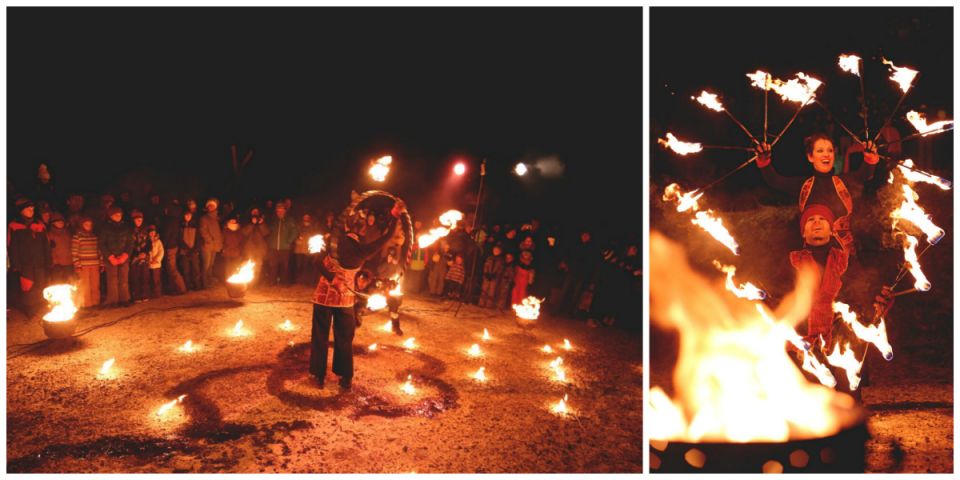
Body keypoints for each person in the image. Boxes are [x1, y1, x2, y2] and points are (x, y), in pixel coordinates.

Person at [309, 200, 404, 390]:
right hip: (345, 298)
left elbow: (316, 261)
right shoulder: (364, 249)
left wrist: (331, 277)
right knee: (344, 337)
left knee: (320, 334)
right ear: (361, 231)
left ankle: (318, 376)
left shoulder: (332, 241)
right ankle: (345, 377)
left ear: (346, 226)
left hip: (324, 296)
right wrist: (395, 215)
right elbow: (386, 237)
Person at [756, 133, 879, 251]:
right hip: (812, 257)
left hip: (845, 255)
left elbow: (865, 173)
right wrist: (764, 159)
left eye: (830, 151)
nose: (826, 155)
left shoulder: (845, 183)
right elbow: (774, 180)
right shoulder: (803, 185)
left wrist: (870, 156)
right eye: (820, 151)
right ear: (810, 157)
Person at [8, 199, 51, 316]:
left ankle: (41, 306)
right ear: (21, 211)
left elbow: (45, 245)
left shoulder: (39, 225)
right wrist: (15, 264)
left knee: (41, 284)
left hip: (39, 262)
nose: (31, 210)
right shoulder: (14, 226)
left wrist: (48, 261)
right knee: (28, 286)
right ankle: (30, 308)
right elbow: (12, 247)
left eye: (32, 208)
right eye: (28, 209)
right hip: (25, 264)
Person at [100, 207, 133, 307]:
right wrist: (110, 257)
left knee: (124, 279)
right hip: (111, 258)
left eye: (119, 214)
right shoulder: (105, 228)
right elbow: (102, 244)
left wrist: (125, 255)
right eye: (116, 215)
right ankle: (113, 301)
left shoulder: (125, 227)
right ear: (110, 216)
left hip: (123, 258)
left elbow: (130, 243)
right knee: (112, 280)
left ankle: (125, 299)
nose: (118, 216)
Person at [265, 202, 298, 286]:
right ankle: (271, 282)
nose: (280, 212)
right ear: (276, 211)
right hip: (273, 247)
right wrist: (269, 242)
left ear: (285, 211)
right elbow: (267, 232)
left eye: (281, 210)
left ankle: (284, 282)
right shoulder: (272, 220)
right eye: (278, 210)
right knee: (273, 265)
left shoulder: (289, 220)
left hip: (285, 247)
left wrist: (289, 241)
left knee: (285, 266)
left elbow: (294, 232)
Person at [72, 217, 102, 308]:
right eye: (86, 224)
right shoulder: (77, 237)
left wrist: (101, 263)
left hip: (94, 264)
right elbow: (74, 251)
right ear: (81, 225)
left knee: (95, 285)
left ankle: (95, 303)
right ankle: (86, 304)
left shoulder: (94, 236)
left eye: (90, 224)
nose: (88, 226)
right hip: (83, 265)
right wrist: (77, 264)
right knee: (85, 286)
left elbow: (99, 250)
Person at [161, 201, 187, 295]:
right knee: (171, 268)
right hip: (174, 246)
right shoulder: (175, 220)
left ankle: (181, 288)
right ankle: (175, 288)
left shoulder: (169, 221)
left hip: (170, 247)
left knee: (172, 268)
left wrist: (163, 245)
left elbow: (167, 235)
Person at [199, 198, 223, 289]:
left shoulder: (217, 218)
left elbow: (218, 232)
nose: (210, 207)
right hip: (207, 246)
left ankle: (209, 281)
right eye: (209, 205)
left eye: (212, 205)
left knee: (211, 265)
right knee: (206, 265)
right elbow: (203, 231)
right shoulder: (204, 218)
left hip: (215, 245)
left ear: (215, 207)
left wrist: (218, 242)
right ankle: (204, 284)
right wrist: (209, 240)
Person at [242, 207, 270, 286]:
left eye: (257, 211)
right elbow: (244, 233)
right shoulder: (246, 221)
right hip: (249, 249)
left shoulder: (263, 221)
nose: (255, 213)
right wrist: (252, 224)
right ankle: (248, 283)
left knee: (258, 267)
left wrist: (261, 224)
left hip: (260, 249)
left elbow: (266, 233)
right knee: (248, 266)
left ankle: (255, 284)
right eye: (253, 211)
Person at [129, 210, 152, 302]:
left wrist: (145, 252)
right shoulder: (130, 231)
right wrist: (136, 254)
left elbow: (149, 244)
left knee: (145, 276)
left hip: (144, 257)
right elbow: (129, 245)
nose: (139, 221)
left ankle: (145, 294)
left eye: (141, 219)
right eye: (137, 219)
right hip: (134, 257)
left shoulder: (145, 230)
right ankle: (136, 296)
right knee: (135, 276)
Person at [47, 212, 74, 283]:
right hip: (57, 265)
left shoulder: (68, 234)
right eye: (58, 222)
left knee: (69, 284)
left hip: (69, 264)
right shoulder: (50, 235)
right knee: (58, 283)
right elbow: (49, 250)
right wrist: (54, 262)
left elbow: (72, 247)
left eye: (61, 222)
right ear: (53, 223)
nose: (60, 223)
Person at [178, 210, 202, 291]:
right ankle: (187, 286)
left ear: (191, 216)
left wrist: (195, 250)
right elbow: (179, 239)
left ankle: (197, 286)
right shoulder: (180, 226)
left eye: (189, 215)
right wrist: (186, 249)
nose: (187, 217)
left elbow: (198, 239)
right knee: (186, 270)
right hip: (184, 252)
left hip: (194, 251)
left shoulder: (195, 226)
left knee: (196, 270)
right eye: (186, 215)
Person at [479, 244, 505, 308]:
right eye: (495, 250)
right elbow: (486, 265)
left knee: (491, 292)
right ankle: (481, 303)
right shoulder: (489, 258)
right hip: (487, 276)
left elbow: (500, 269)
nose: (496, 251)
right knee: (484, 290)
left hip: (494, 277)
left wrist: (495, 274)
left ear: (500, 251)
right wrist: (486, 273)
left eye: (497, 250)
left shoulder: (501, 260)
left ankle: (489, 305)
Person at [221, 214, 246, 280]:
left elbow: (242, 242)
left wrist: (240, 250)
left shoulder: (239, 231)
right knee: (228, 268)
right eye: (231, 221)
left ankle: (235, 280)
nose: (233, 222)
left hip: (237, 252)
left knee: (235, 267)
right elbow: (221, 241)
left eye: (234, 221)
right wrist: (224, 248)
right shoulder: (225, 231)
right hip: (227, 252)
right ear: (228, 222)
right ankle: (228, 280)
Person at [147, 225, 164, 298]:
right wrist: (149, 260)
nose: (152, 233)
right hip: (148, 263)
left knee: (156, 279)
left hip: (156, 264)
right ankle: (150, 293)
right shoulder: (146, 241)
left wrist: (156, 260)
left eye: (153, 232)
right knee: (149, 279)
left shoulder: (158, 241)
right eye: (150, 232)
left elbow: (161, 251)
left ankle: (157, 293)